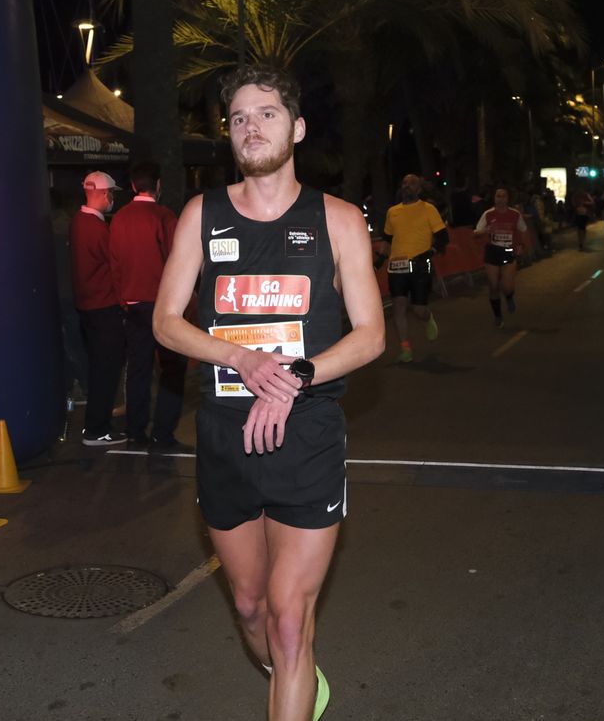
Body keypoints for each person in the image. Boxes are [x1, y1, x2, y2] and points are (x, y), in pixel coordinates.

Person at [153, 65, 384, 721]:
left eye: (267, 113)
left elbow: (370, 335)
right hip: (225, 437)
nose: (251, 127)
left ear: (298, 127)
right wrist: (239, 357)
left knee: (288, 616)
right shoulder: (203, 215)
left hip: (307, 435)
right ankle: (294, 673)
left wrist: (299, 373)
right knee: (251, 607)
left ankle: (293, 670)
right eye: (238, 119)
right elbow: (166, 321)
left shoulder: (337, 220)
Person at [109, 161, 187, 449]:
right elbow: (177, 260)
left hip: (133, 306)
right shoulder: (163, 216)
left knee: (139, 369)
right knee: (172, 369)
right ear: (157, 185)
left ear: (131, 186)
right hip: (164, 305)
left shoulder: (119, 218)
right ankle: (163, 433)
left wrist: (123, 299)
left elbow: (114, 264)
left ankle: (135, 431)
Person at [70, 170, 127, 446]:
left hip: (87, 308)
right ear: (105, 194)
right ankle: (97, 429)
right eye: (112, 194)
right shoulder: (97, 228)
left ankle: (97, 423)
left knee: (98, 368)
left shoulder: (78, 223)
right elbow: (117, 265)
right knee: (107, 370)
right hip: (104, 308)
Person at [379, 174, 448, 363]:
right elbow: (387, 239)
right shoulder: (393, 211)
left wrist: (431, 252)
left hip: (419, 266)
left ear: (419, 189)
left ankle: (428, 317)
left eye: (411, 184)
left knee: (418, 309)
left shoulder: (428, 209)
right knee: (399, 307)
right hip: (397, 267)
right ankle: (405, 348)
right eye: (404, 183)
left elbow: (443, 237)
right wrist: (378, 260)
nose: (406, 186)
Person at [474, 188, 529, 327]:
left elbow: (523, 230)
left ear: (507, 199)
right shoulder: (488, 214)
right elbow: (476, 232)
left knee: (507, 287)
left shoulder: (515, 214)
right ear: (494, 198)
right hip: (492, 252)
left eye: (503, 196)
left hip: (508, 251)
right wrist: (485, 231)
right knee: (493, 286)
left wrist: (521, 245)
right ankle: (498, 316)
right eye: (498, 196)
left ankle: (509, 297)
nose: (501, 199)